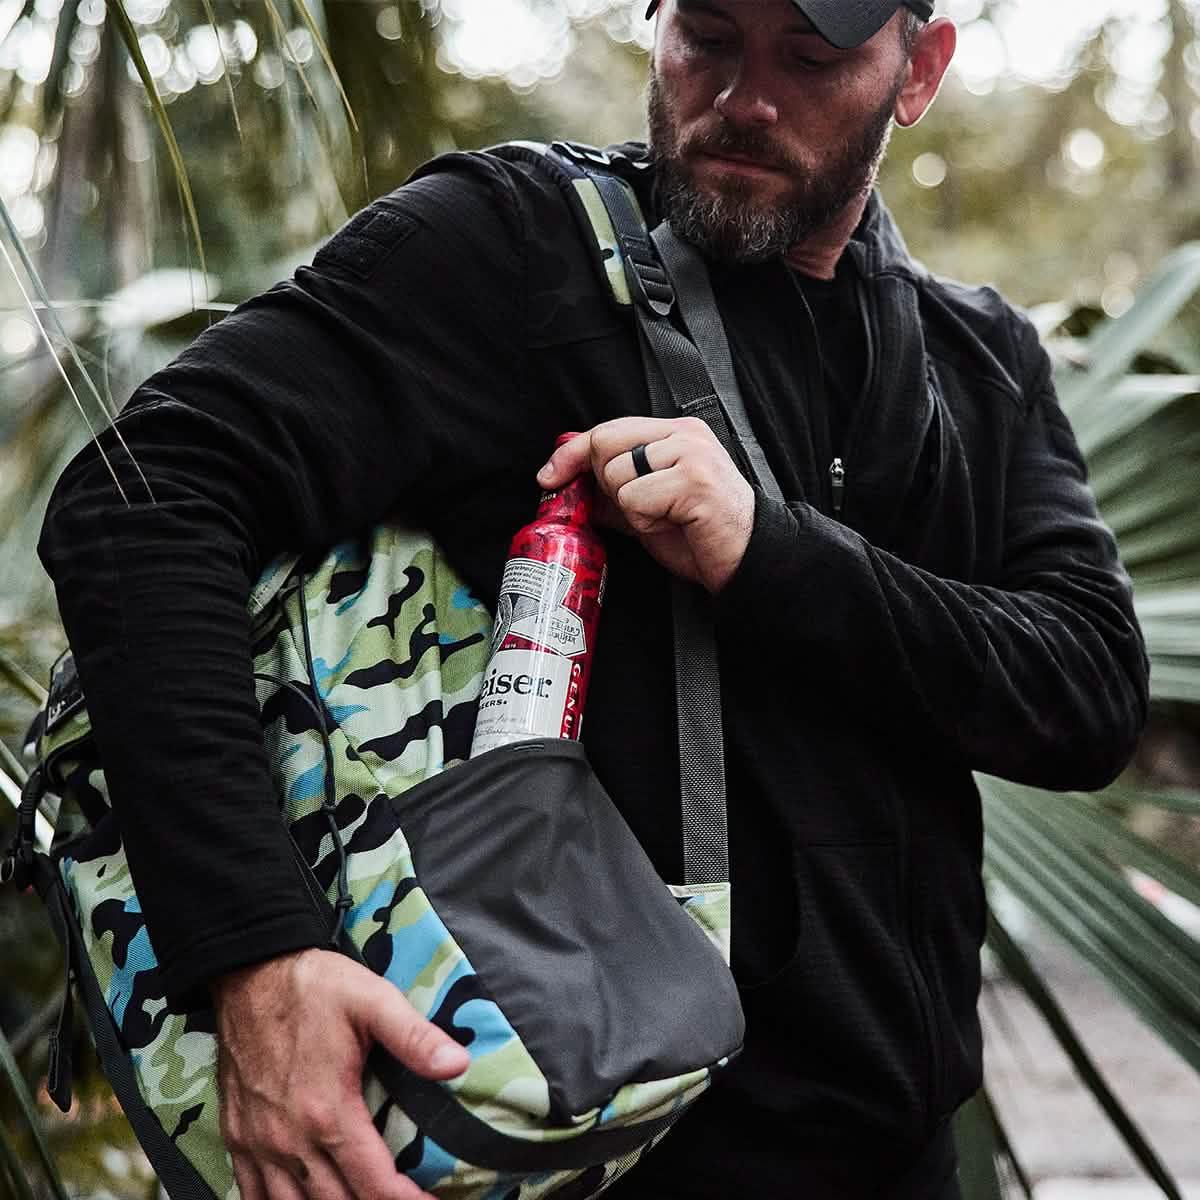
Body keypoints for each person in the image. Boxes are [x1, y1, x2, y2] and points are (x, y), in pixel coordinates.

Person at [38, 0, 1149, 1197]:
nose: (745, 98)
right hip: (589, 1147)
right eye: (709, 37)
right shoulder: (517, 247)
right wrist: (257, 954)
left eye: (810, 58)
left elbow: (1087, 691)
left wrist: (768, 555)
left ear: (917, 69)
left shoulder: (975, 356)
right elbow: (139, 500)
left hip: (903, 1153)